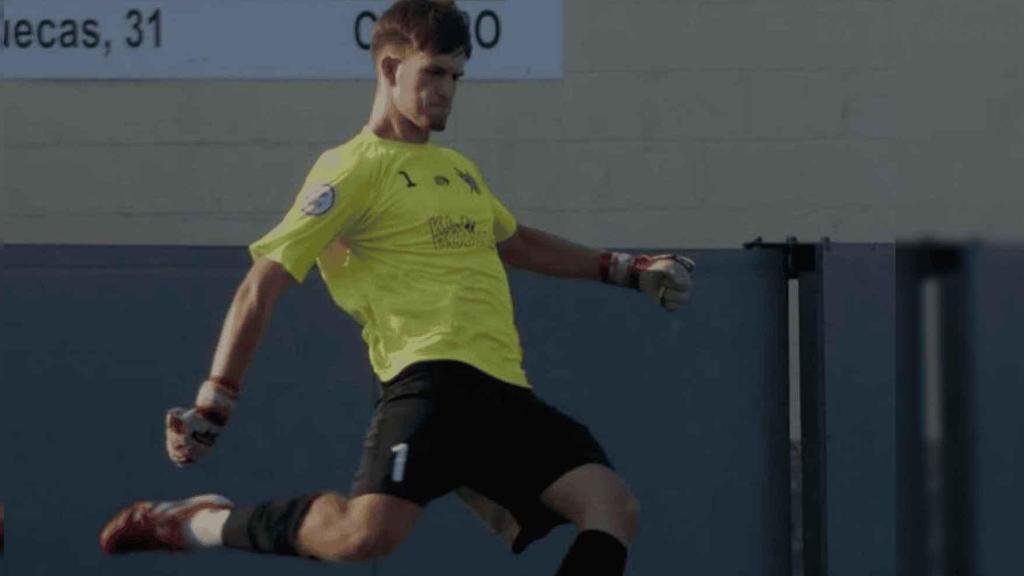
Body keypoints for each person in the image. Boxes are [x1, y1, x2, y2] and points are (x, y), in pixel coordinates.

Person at [98, 1, 693, 574]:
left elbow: (518, 243)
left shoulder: (460, 169)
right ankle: (199, 524)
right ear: (389, 68)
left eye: (456, 76)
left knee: (612, 508)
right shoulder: (353, 166)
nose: (447, 89)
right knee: (364, 536)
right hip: (428, 382)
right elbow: (264, 281)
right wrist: (216, 399)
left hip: (506, 390)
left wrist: (626, 268)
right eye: (433, 73)